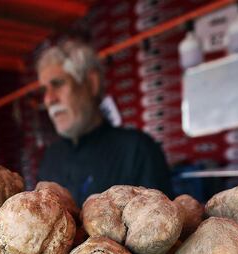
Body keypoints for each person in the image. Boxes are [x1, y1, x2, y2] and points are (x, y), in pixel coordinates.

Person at [36, 40, 173, 204]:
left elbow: (162, 223)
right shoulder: (51, 158)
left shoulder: (137, 150)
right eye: (44, 90)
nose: (49, 99)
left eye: (58, 84)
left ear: (91, 83)